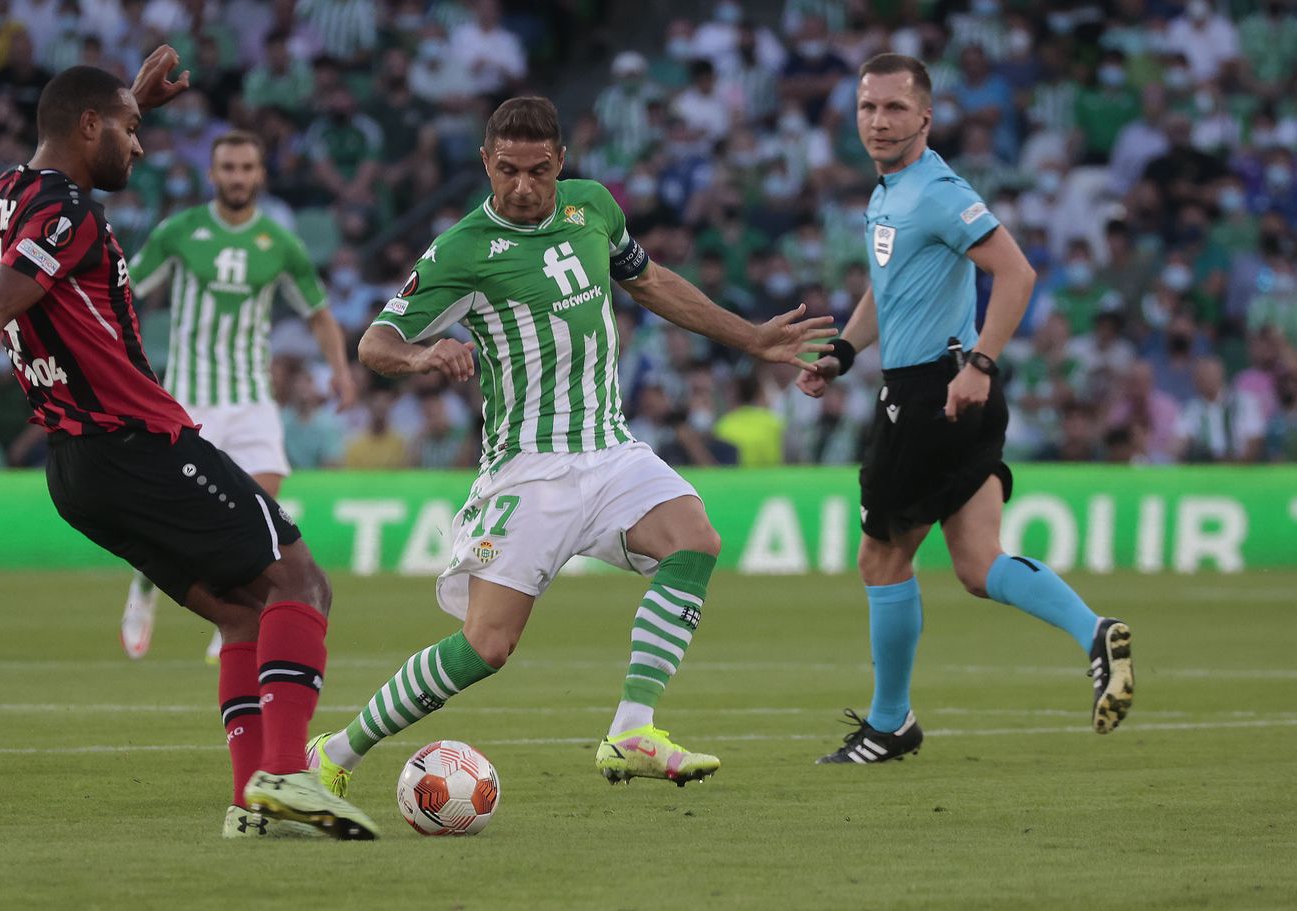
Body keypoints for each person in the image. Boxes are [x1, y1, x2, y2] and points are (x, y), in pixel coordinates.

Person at [307, 96, 832, 794]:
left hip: (609, 448)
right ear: (485, 164)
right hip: (529, 468)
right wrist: (421, 356)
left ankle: (631, 729)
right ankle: (337, 751)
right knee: (487, 646)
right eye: (506, 171)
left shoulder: (593, 208)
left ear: (561, 162)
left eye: (537, 171)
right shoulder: (462, 249)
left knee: (695, 537)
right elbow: (376, 341)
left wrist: (751, 336)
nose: (522, 187)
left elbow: (649, 282)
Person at [0, 50, 377, 840]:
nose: (142, 145)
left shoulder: (3, 196)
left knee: (240, 612)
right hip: (136, 439)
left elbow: (75, 136)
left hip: (75, 470)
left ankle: (250, 803)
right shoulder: (71, 217)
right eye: (131, 130)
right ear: (90, 126)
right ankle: (290, 773)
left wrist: (130, 100)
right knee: (302, 582)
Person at [795, 55, 1135, 765]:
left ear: (926, 117)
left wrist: (981, 361)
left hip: (932, 396)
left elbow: (1017, 272)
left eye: (894, 108)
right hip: (957, 394)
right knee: (979, 564)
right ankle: (1094, 630)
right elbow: (883, 290)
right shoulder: (891, 194)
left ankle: (891, 722)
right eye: (868, 108)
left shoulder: (938, 192)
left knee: (881, 558)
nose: (879, 121)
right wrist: (845, 354)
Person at [119, 129, 355, 662]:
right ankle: (142, 589)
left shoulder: (280, 244)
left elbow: (318, 312)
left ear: (260, 174)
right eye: (228, 168)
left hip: (251, 400)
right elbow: (126, 291)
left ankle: (231, 617)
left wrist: (340, 369)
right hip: (188, 400)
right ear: (213, 174)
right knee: (168, 517)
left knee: (260, 514)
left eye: (246, 168)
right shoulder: (179, 231)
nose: (237, 178)